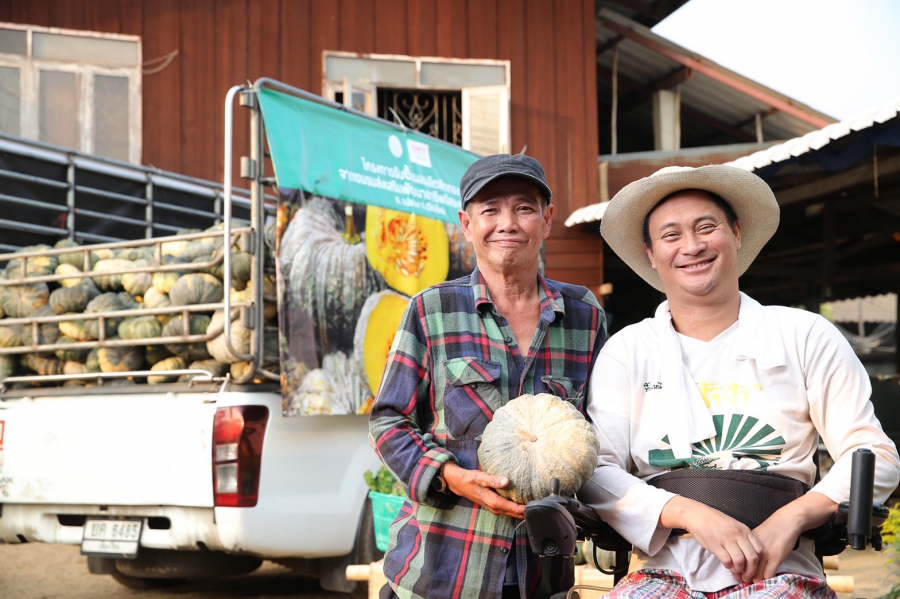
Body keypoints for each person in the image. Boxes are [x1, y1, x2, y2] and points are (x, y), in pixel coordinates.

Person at [580, 165, 900, 597]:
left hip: (782, 571)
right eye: (671, 235)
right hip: (660, 572)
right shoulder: (628, 351)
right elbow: (598, 471)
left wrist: (792, 517)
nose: (692, 246)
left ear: (736, 233)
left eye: (706, 227)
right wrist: (690, 514)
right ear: (651, 254)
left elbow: (875, 454)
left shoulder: (804, 335)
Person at [369, 154, 607, 599]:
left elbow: (602, 429)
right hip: (440, 572)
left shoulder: (584, 315)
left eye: (524, 208)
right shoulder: (431, 309)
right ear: (467, 224)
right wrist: (449, 476)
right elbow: (387, 422)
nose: (507, 223)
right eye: (490, 209)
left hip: (542, 577)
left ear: (546, 220)